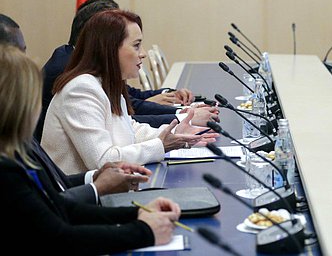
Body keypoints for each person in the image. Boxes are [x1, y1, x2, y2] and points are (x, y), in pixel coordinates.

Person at [0, 43, 181, 253]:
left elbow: (62, 206)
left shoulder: (17, 152)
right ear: (18, 107)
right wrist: (144, 232)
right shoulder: (6, 171)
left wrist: (138, 214)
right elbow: (59, 237)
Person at [41, 9, 219, 174]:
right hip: (82, 202)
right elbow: (103, 161)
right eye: (136, 45)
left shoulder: (105, 82)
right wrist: (161, 145)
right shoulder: (80, 90)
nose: (143, 54)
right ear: (110, 49)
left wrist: (175, 133)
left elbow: (131, 131)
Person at [0, 13, 152, 203]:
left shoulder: (18, 138)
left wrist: (95, 179)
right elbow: (54, 214)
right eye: (16, 53)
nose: (25, 61)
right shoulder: (81, 88)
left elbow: (56, 187)